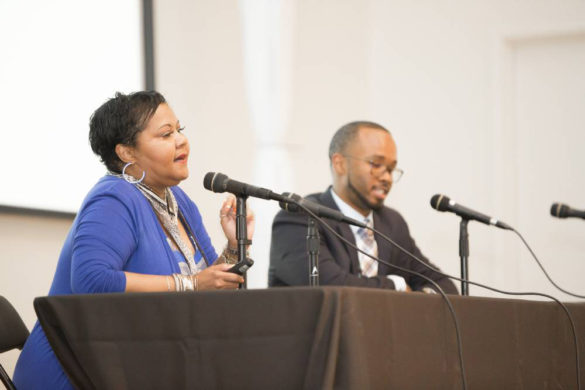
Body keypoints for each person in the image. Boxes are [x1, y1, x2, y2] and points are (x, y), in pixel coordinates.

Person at [13, 91, 253, 389]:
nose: (180, 140)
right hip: (75, 373)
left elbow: (207, 289)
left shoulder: (178, 200)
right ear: (127, 153)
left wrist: (233, 247)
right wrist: (191, 284)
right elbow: (91, 281)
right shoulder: (114, 198)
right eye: (166, 134)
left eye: (180, 129)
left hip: (138, 370)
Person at [269, 121, 457, 294]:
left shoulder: (392, 223)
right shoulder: (300, 217)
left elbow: (443, 285)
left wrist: (422, 298)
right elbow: (330, 285)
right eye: (376, 164)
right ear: (339, 164)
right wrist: (396, 286)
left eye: (391, 169)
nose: (386, 178)